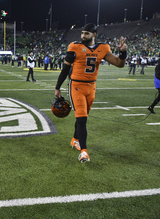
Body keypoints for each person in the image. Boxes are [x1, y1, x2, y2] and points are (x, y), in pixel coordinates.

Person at [54, 23, 127, 163]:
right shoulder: (74, 47)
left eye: (86, 33)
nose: (83, 36)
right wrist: (57, 87)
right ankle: (84, 152)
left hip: (91, 87)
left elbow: (119, 63)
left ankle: (75, 140)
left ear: (94, 34)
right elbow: (64, 69)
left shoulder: (103, 48)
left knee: (82, 117)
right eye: (82, 33)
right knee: (82, 119)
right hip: (76, 86)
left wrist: (123, 52)